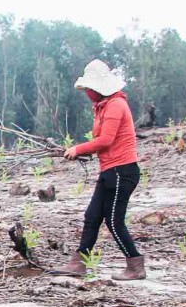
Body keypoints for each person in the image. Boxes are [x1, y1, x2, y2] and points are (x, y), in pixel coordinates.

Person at [51, 60, 146, 281]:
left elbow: (105, 140)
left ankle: (135, 265)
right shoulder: (103, 106)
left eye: (89, 89)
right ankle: (78, 264)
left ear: (98, 88)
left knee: (114, 221)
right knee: (92, 216)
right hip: (111, 171)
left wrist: (78, 149)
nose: (87, 93)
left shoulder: (115, 105)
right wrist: (80, 151)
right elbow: (104, 143)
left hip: (122, 171)